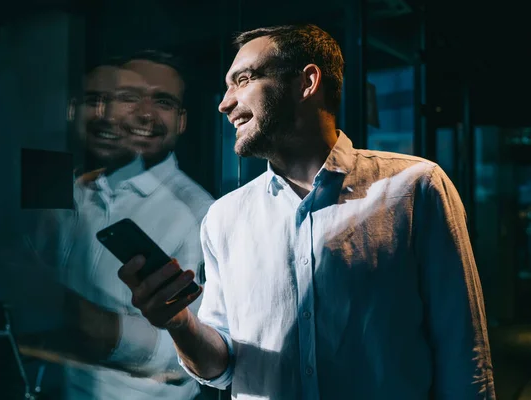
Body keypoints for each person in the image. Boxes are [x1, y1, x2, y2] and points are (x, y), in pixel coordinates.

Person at [119, 24, 496, 399]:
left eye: (244, 80)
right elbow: (222, 368)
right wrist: (178, 323)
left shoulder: (415, 186)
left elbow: (464, 354)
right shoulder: (223, 217)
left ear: (307, 82)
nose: (225, 102)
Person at [0, 50, 215, 400]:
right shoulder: (74, 192)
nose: (143, 113)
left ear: (182, 121)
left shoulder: (200, 214)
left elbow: (190, 357)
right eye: (129, 99)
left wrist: (86, 322)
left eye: (162, 101)